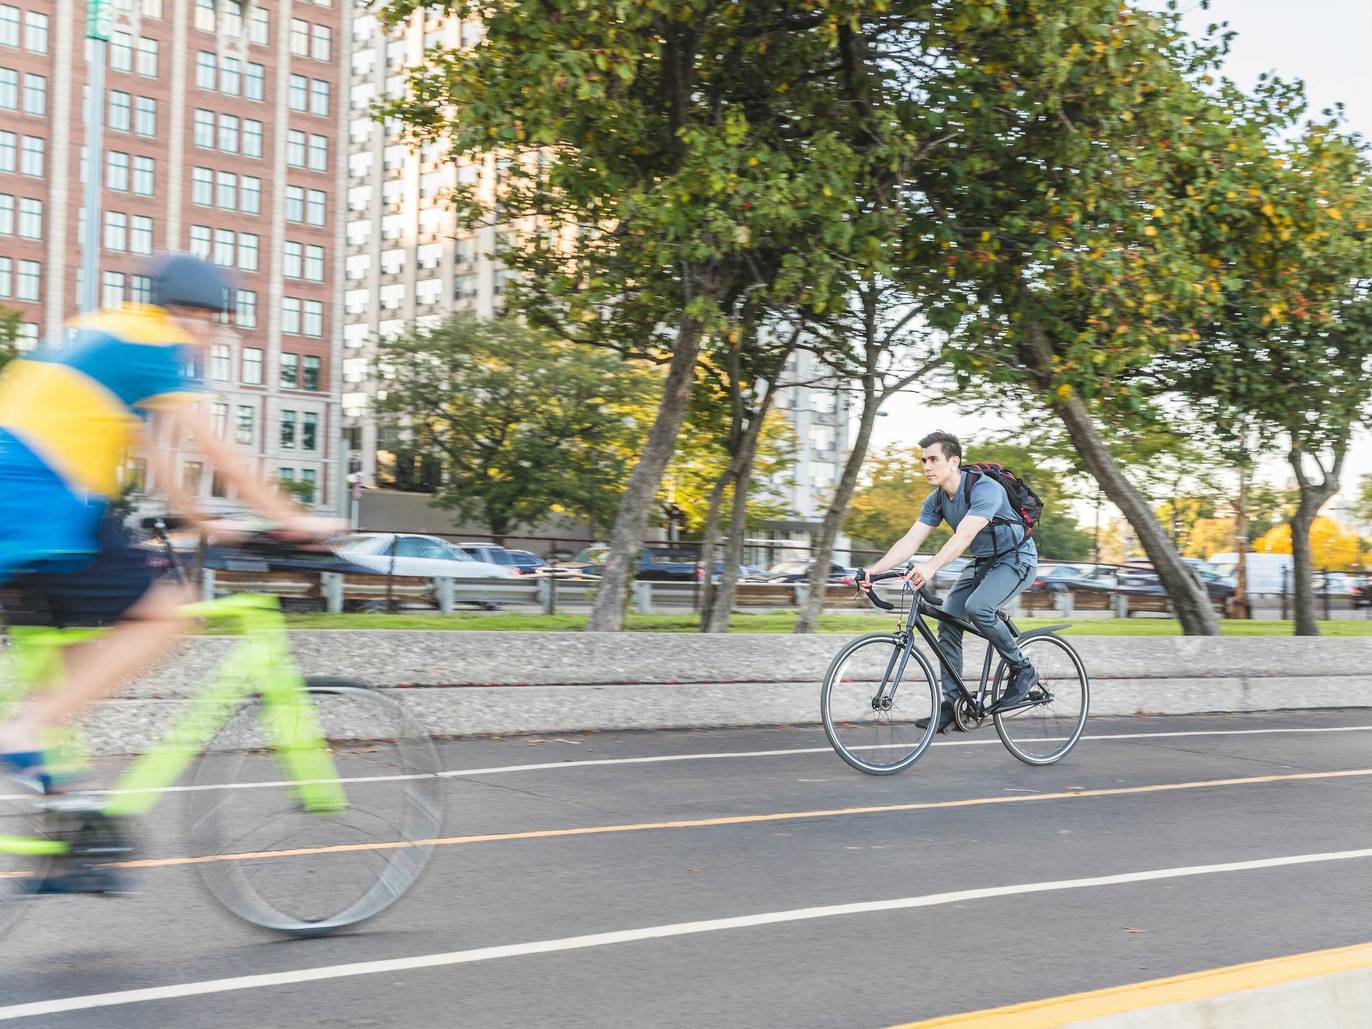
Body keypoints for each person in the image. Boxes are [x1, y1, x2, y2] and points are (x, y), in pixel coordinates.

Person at [0, 254, 338, 793]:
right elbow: (222, 454)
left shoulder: (100, 331)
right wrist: (296, 521)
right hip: (41, 501)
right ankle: (25, 734)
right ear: (192, 316)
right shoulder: (155, 344)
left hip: (19, 498)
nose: (208, 342)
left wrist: (207, 521)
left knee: (68, 665)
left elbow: (154, 453)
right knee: (169, 614)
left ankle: (65, 833)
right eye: (213, 326)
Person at [858, 431, 1038, 733]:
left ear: (954, 461)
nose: (927, 466)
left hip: (1016, 559)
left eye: (933, 459)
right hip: (983, 563)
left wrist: (930, 567)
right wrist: (874, 571)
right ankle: (953, 706)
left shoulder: (985, 490)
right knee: (949, 622)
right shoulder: (938, 499)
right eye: (923, 460)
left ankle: (1022, 668)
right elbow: (911, 540)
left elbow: (964, 536)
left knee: (978, 607)